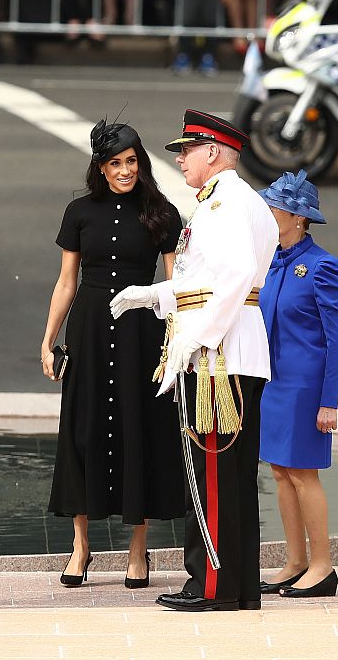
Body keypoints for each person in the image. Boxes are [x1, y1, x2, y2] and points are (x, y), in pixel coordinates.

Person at [110, 109, 278, 611]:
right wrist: (155, 295)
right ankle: (237, 584)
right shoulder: (223, 201)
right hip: (226, 347)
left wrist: (198, 335)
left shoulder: (225, 201)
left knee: (216, 475)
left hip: (219, 356)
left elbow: (236, 274)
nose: (180, 159)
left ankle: (213, 584)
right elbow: (206, 278)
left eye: (186, 150)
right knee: (227, 476)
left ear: (213, 152)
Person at [41, 119, 186, 589]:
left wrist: (177, 342)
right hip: (89, 324)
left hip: (143, 330)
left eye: (132, 162)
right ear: (100, 168)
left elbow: (174, 283)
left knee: (138, 426)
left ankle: (138, 551)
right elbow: (67, 282)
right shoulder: (78, 212)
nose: (125, 170)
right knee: (82, 430)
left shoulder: (163, 213)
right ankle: (80, 546)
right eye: (115, 163)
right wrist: (49, 339)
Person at [256, 170, 338, 599]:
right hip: (274, 384)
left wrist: (329, 401)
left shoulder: (323, 266)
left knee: (303, 474)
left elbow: (334, 339)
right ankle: (295, 560)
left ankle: (323, 565)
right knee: (279, 471)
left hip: (305, 386)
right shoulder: (271, 262)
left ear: (298, 217)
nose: (267, 214)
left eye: (274, 208)